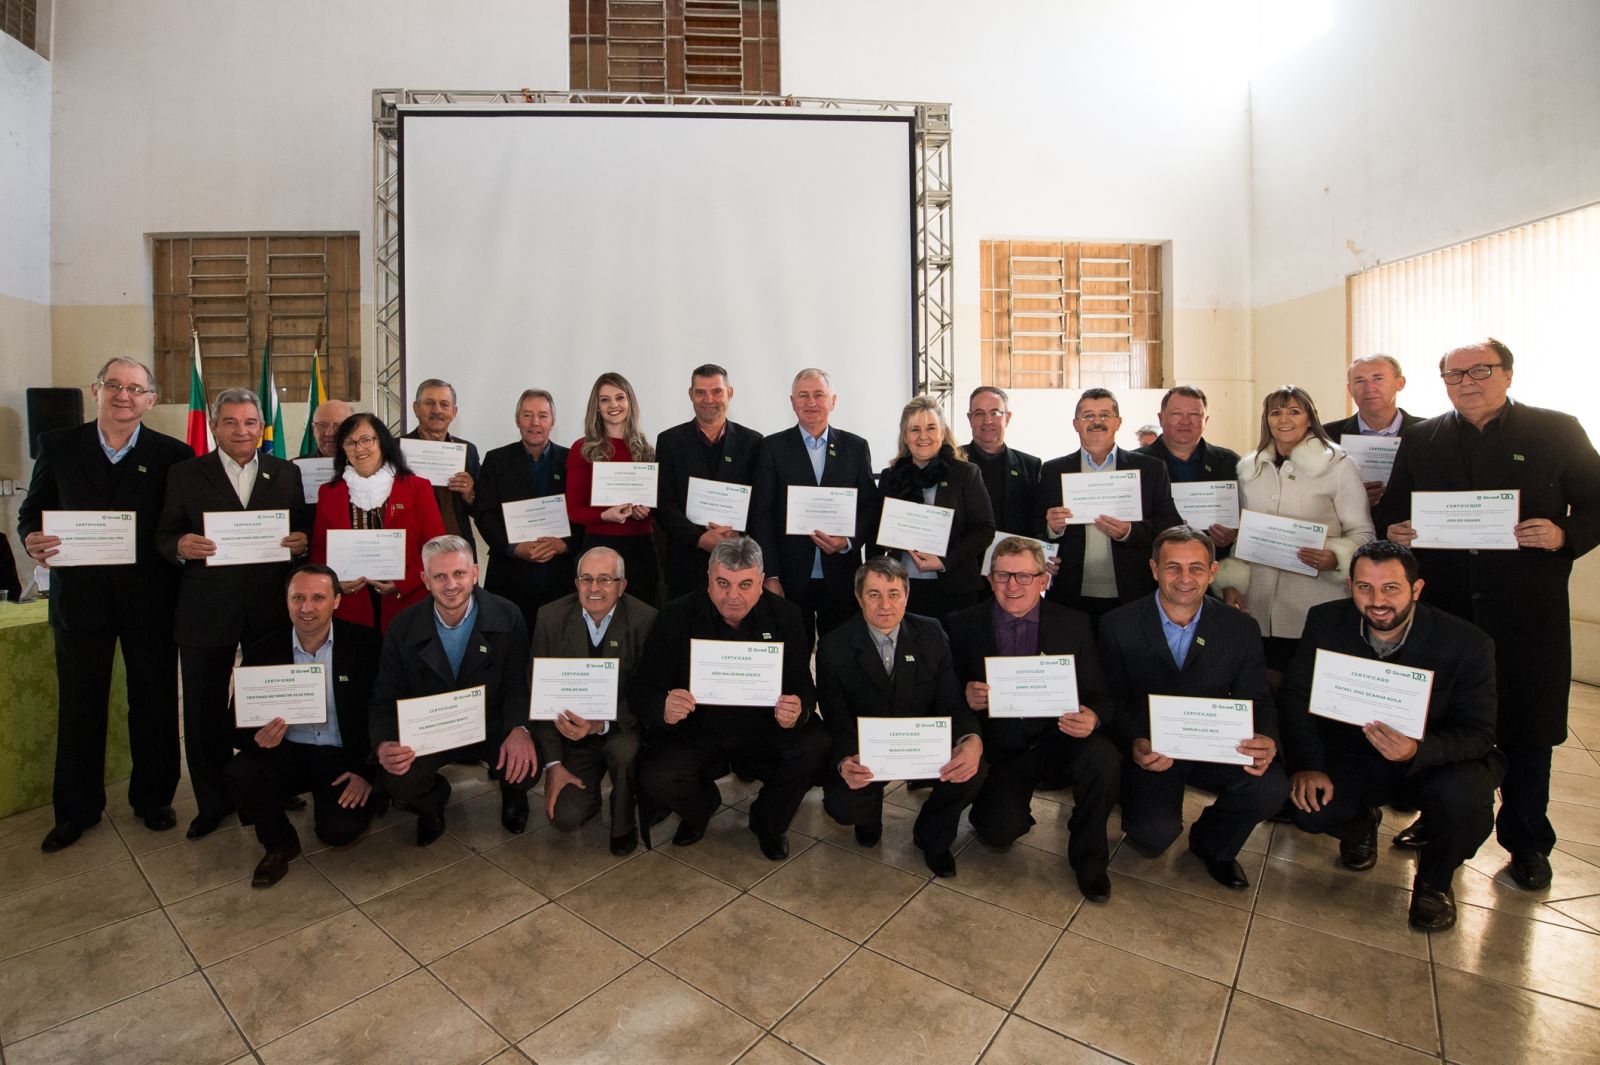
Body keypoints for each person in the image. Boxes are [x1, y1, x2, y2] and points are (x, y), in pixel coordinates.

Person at [1377, 339, 1600, 890]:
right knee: (1443, 720)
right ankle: (1439, 819)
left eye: (1480, 370)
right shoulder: (1422, 437)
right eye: (1454, 374)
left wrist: (1565, 534)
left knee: (1526, 728)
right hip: (1445, 614)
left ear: (1507, 373)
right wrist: (1396, 529)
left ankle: (1527, 841)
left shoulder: (1557, 429)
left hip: (1527, 612)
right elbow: (1392, 507)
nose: (1467, 381)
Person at [1278, 541, 1503, 930]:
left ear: (1416, 589)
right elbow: (1299, 697)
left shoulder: (1466, 643)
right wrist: (1309, 766)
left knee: (1465, 803)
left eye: (1391, 588)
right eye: (1365, 587)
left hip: (1435, 762)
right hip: (1355, 753)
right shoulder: (1325, 621)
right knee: (1309, 806)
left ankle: (1434, 883)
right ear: (1350, 585)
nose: (1377, 600)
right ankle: (1359, 824)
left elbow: (1480, 733)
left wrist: (1417, 750)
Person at [18, 357, 193, 852]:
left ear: (151, 400)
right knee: (80, 707)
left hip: (150, 602)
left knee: (155, 703)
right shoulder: (58, 445)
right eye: (114, 385)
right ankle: (76, 810)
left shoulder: (172, 455)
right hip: (80, 602)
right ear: (95, 390)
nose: (124, 396)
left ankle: (154, 799)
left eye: (135, 389)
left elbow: (175, 525)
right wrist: (31, 536)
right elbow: (32, 509)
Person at [155, 387, 310, 839]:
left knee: (269, 703)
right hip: (206, 609)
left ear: (262, 427)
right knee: (203, 712)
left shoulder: (285, 472)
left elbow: (300, 526)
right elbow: (164, 535)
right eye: (230, 422)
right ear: (214, 426)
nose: (241, 431)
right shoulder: (185, 473)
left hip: (270, 610)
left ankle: (270, 784)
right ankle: (213, 801)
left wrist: (300, 540)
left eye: (249, 422)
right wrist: (180, 546)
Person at [1099, 526, 1288, 890]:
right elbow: (1112, 700)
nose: (1185, 579)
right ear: (1154, 569)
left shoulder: (1241, 628)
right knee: (1151, 836)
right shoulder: (1117, 624)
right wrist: (1135, 742)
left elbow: (1257, 698)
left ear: (1213, 573)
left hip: (1215, 744)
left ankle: (1213, 844)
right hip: (1152, 748)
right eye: (1173, 567)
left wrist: (1267, 738)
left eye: (1196, 568)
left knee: (1268, 787)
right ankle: (1140, 803)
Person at [632, 536, 831, 860]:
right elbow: (643, 690)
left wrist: (799, 710)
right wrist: (663, 708)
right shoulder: (675, 616)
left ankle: (768, 822)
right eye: (723, 583)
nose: (733, 596)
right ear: (709, 578)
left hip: (763, 729)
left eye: (745, 584)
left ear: (761, 582)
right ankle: (700, 808)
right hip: (697, 729)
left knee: (817, 742)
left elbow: (803, 687)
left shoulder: (786, 616)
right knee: (658, 775)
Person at [945, 536, 1121, 901]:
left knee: (1103, 758)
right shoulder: (962, 624)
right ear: (989, 579)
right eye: (1003, 575)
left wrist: (1093, 717)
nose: (1013, 586)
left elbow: (1101, 695)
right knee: (996, 830)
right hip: (1003, 748)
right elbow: (946, 693)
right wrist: (966, 696)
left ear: (1044, 580)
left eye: (1024, 577)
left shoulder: (1074, 624)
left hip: (1061, 738)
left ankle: (1090, 861)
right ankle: (1009, 811)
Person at [816, 557, 985, 876]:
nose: (885, 605)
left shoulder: (932, 632)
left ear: (907, 595)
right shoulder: (834, 645)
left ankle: (932, 835)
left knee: (973, 768)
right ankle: (868, 813)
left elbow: (951, 701)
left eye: (894, 593)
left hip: (923, 748)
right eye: (874, 594)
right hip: (866, 751)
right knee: (843, 805)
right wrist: (845, 762)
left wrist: (970, 740)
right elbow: (836, 719)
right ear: (858, 596)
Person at [370, 535, 538, 845]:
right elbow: (384, 696)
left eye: (459, 574)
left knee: (526, 762)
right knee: (397, 778)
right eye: (440, 576)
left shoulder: (508, 614)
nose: (451, 584)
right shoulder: (402, 626)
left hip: (491, 722)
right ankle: (432, 803)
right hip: (432, 729)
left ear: (474, 573)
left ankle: (514, 796)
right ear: (425, 580)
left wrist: (520, 728)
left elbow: (518, 682)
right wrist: (383, 743)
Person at [224, 565, 383, 888]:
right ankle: (279, 843)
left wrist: (367, 771)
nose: (306, 608)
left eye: (317, 598)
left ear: (337, 601)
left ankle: (371, 798)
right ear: (286, 601)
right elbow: (234, 724)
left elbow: (385, 711)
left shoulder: (366, 644)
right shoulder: (264, 650)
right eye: (298, 598)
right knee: (240, 772)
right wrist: (257, 738)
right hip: (288, 752)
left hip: (342, 757)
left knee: (338, 832)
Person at [1214, 385, 1374, 681]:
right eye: (1276, 412)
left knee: (1305, 693)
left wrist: (1335, 557)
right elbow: (1245, 536)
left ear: (1310, 419)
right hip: (1257, 608)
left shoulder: (1338, 466)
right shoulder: (1250, 469)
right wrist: (1231, 584)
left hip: (1313, 605)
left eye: (1294, 411)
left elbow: (1364, 534)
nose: (1283, 419)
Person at [531, 546, 656, 855]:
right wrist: (554, 764)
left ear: (622, 586)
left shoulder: (646, 620)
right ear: (576, 583)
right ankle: (591, 795)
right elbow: (539, 693)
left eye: (605, 579)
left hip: (620, 727)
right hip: (571, 736)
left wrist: (601, 723)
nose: (595, 588)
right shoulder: (549, 618)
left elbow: (646, 691)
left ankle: (624, 821)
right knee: (566, 817)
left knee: (625, 751)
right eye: (586, 578)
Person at [751, 368, 882, 649]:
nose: (811, 402)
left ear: (833, 401)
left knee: (842, 658)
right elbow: (761, 513)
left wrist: (847, 542)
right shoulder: (772, 447)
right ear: (792, 401)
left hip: (841, 577)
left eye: (819, 395)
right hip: (788, 577)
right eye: (803, 395)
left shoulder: (856, 447)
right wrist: (770, 575)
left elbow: (870, 507)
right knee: (792, 656)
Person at [1036, 388, 1181, 622]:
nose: (1096, 422)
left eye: (1104, 415)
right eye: (1088, 416)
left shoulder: (1151, 468)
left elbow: (1170, 524)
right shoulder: (1053, 470)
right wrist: (1051, 528)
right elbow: (1034, 526)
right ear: (1075, 424)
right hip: (1070, 594)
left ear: (1118, 422)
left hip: (1133, 593)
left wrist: (1130, 532)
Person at [310, 413, 445, 633]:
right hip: (351, 605)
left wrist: (403, 583)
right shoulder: (328, 493)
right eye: (350, 442)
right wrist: (334, 583)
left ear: (382, 441)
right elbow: (319, 550)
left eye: (366, 440)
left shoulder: (418, 487)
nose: (359, 448)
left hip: (407, 602)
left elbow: (436, 549)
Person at [870, 395, 995, 623]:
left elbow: (984, 529)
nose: (923, 436)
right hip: (903, 589)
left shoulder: (965, 474)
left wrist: (944, 562)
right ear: (905, 436)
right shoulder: (890, 477)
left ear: (942, 432)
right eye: (915, 429)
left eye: (931, 428)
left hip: (955, 587)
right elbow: (876, 531)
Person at [459, 389, 575, 632]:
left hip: (558, 577)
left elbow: (580, 514)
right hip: (509, 576)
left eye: (542, 416)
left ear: (552, 421)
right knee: (507, 653)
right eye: (527, 415)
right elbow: (485, 514)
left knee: (555, 650)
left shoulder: (571, 460)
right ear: (517, 420)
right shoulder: (496, 460)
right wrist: (515, 548)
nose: (535, 423)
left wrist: (563, 545)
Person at [654, 364, 765, 601]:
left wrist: (736, 533)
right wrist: (699, 539)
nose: (709, 400)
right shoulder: (669, 441)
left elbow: (760, 502)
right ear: (690, 395)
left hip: (738, 562)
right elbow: (663, 503)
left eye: (716, 391)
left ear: (730, 393)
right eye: (700, 392)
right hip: (686, 559)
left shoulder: (753, 442)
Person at [565, 372, 660, 607]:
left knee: (642, 617)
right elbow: (574, 511)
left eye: (620, 397)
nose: (614, 405)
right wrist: (605, 515)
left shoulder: (646, 450)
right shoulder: (582, 448)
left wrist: (645, 511)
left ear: (630, 402)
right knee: (597, 616)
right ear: (596, 407)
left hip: (640, 548)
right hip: (598, 547)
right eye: (605, 399)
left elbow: (658, 504)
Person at [1135, 386, 1242, 552]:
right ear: (1161, 418)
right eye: (1177, 413)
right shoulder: (1135, 465)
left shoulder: (1230, 463)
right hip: (1150, 567)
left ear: (1206, 420)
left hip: (1213, 567)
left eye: (1195, 414)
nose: (1186, 421)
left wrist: (1234, 534)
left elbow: (1247, 516)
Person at [1323, 355, 1425, 507]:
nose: (1369, 388)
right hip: (1347, 527)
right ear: (1350, 389)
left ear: (1400, 383)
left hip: (1408, 527)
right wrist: (1348, 496)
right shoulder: (1326, 435)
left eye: (1378, 378)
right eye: (1360, 381)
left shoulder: (1429, 433)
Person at [404, 379, 480, 554]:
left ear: (454, 412)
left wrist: (470, 494)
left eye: (444, 404)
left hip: (456, 548)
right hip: (411, 550)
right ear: (416, 408)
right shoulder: (395, 449)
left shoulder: (468, 451)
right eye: (429, 403)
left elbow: (482, 508)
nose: (437, 410)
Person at [963, 385, 1042, 536]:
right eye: (979, 413)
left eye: (995, 413)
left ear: (1008, 418)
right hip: (965, 558)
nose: (988, 421)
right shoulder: (952, 462)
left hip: (1014, 556)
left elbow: (1038, 522)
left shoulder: (1031, 466)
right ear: (970, 418)